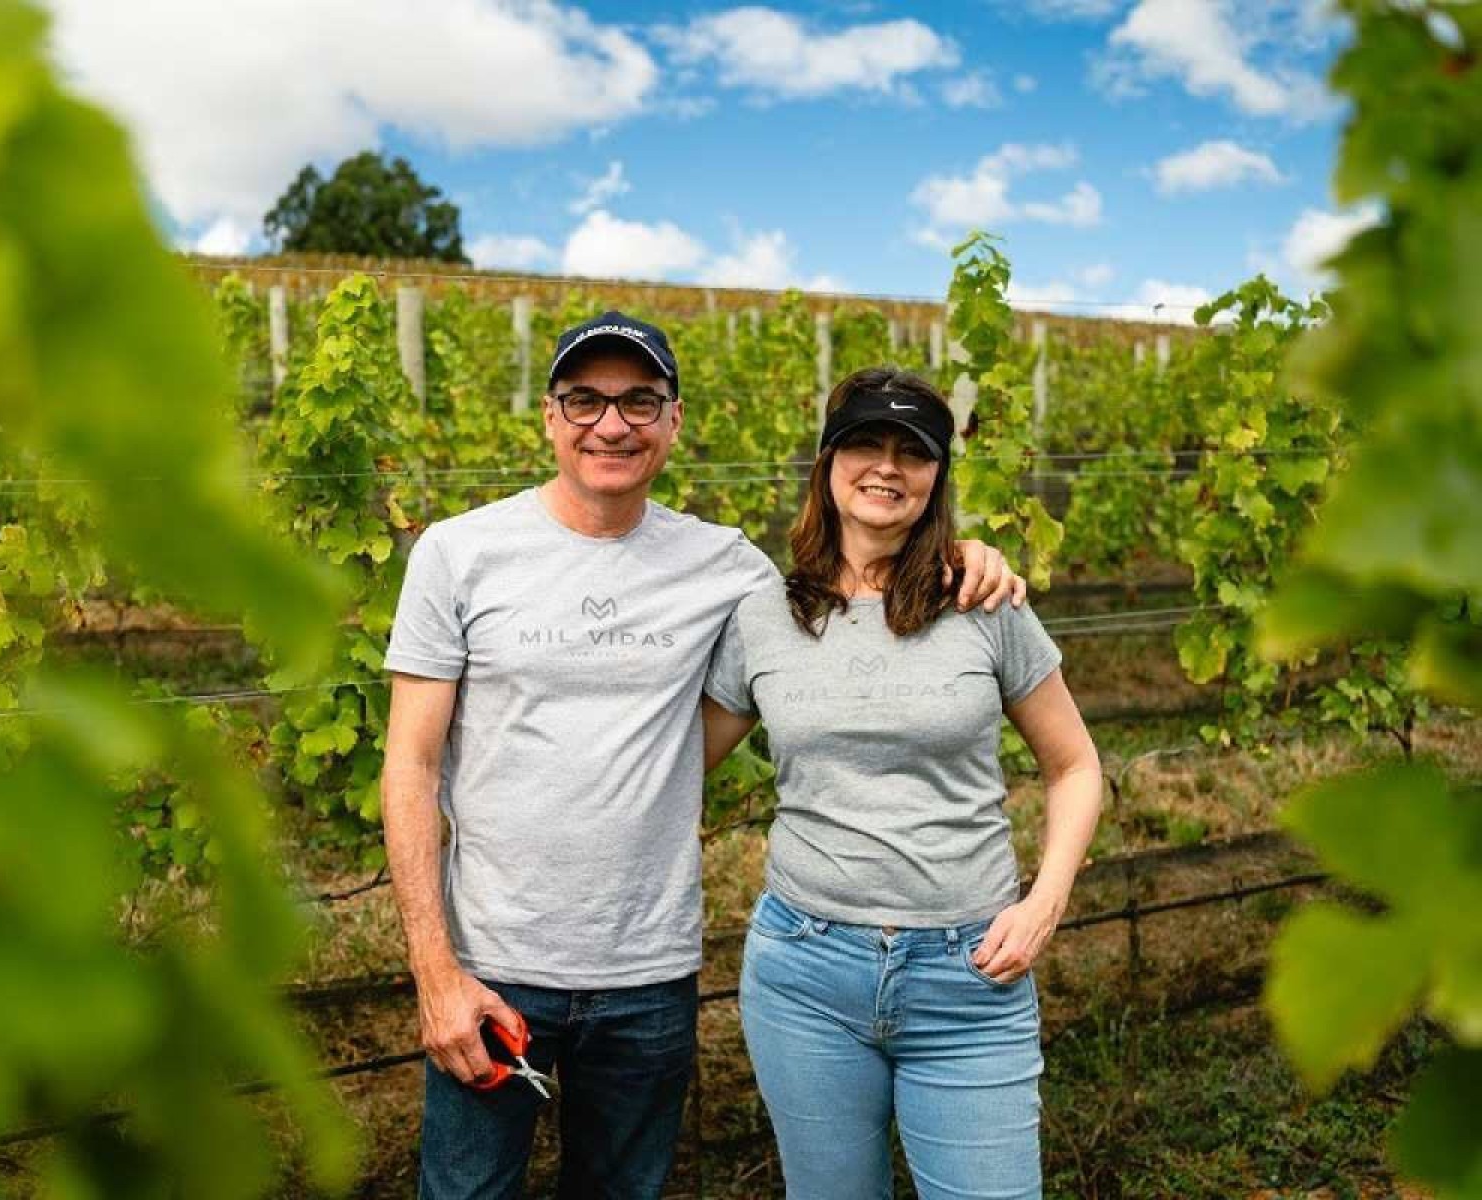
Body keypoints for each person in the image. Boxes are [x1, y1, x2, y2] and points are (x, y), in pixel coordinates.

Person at [381, 314, 1027, 1199]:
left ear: (674, 421)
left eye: (640, 401)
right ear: (548, 416)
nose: (613, 424)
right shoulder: (459, 554)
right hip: (492, 966)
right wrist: (435, 971)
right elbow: (410, 766)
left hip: (648, 974)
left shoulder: (732, 571)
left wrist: (961, 556)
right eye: (586, 401)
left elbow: (850, 591)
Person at [700, 365, 1102, 1199]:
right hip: (804, 977)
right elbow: (673, 763)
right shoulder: (764, 615)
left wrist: (1044, 902)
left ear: (936, 478)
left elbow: (1075, 766)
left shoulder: (984, 602)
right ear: (826, 463)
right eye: (865, 444)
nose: (887, 467)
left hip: (970, 976)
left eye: (912, 453)